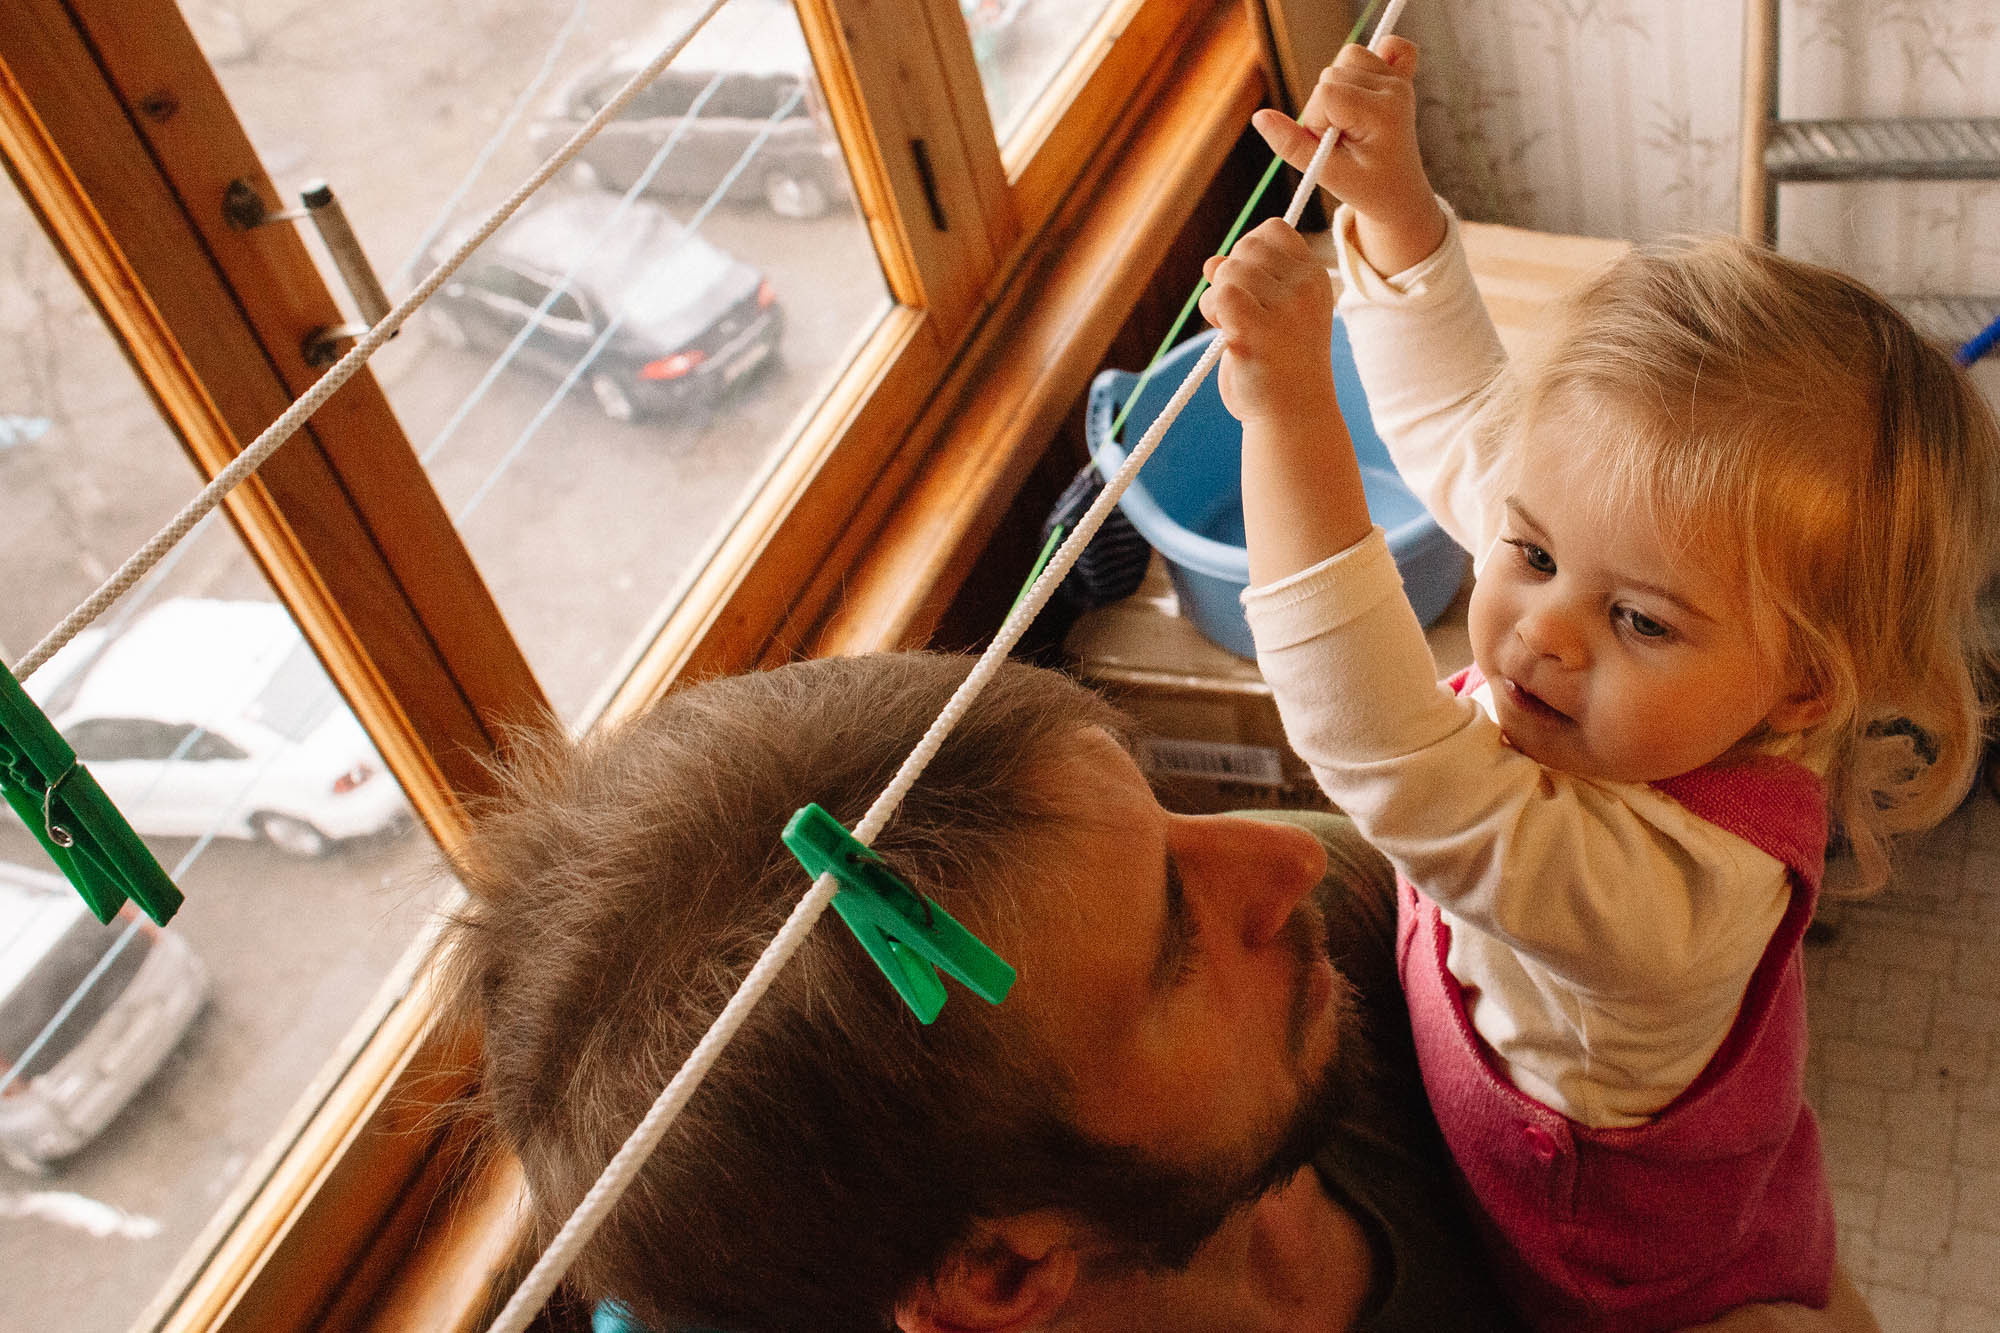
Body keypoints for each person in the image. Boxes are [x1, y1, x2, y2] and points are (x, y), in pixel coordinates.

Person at [1199, 34, 2000, 1333]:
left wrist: (1288, 412)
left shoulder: (1670, 899)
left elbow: (1386, 757)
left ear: (1801, 689)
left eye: (1636, 617)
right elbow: (1472, 430)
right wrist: (1394, 216)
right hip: (1682, 1156)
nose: (1542, 632)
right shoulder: (1674, 634)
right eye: (1529, 552)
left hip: (1645, 1292)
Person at [437, 652, 1878, 1333]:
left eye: (1166, 807)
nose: (1274, 860)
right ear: (1005, 1268)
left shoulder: (1339, 925)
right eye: (1173, 947)